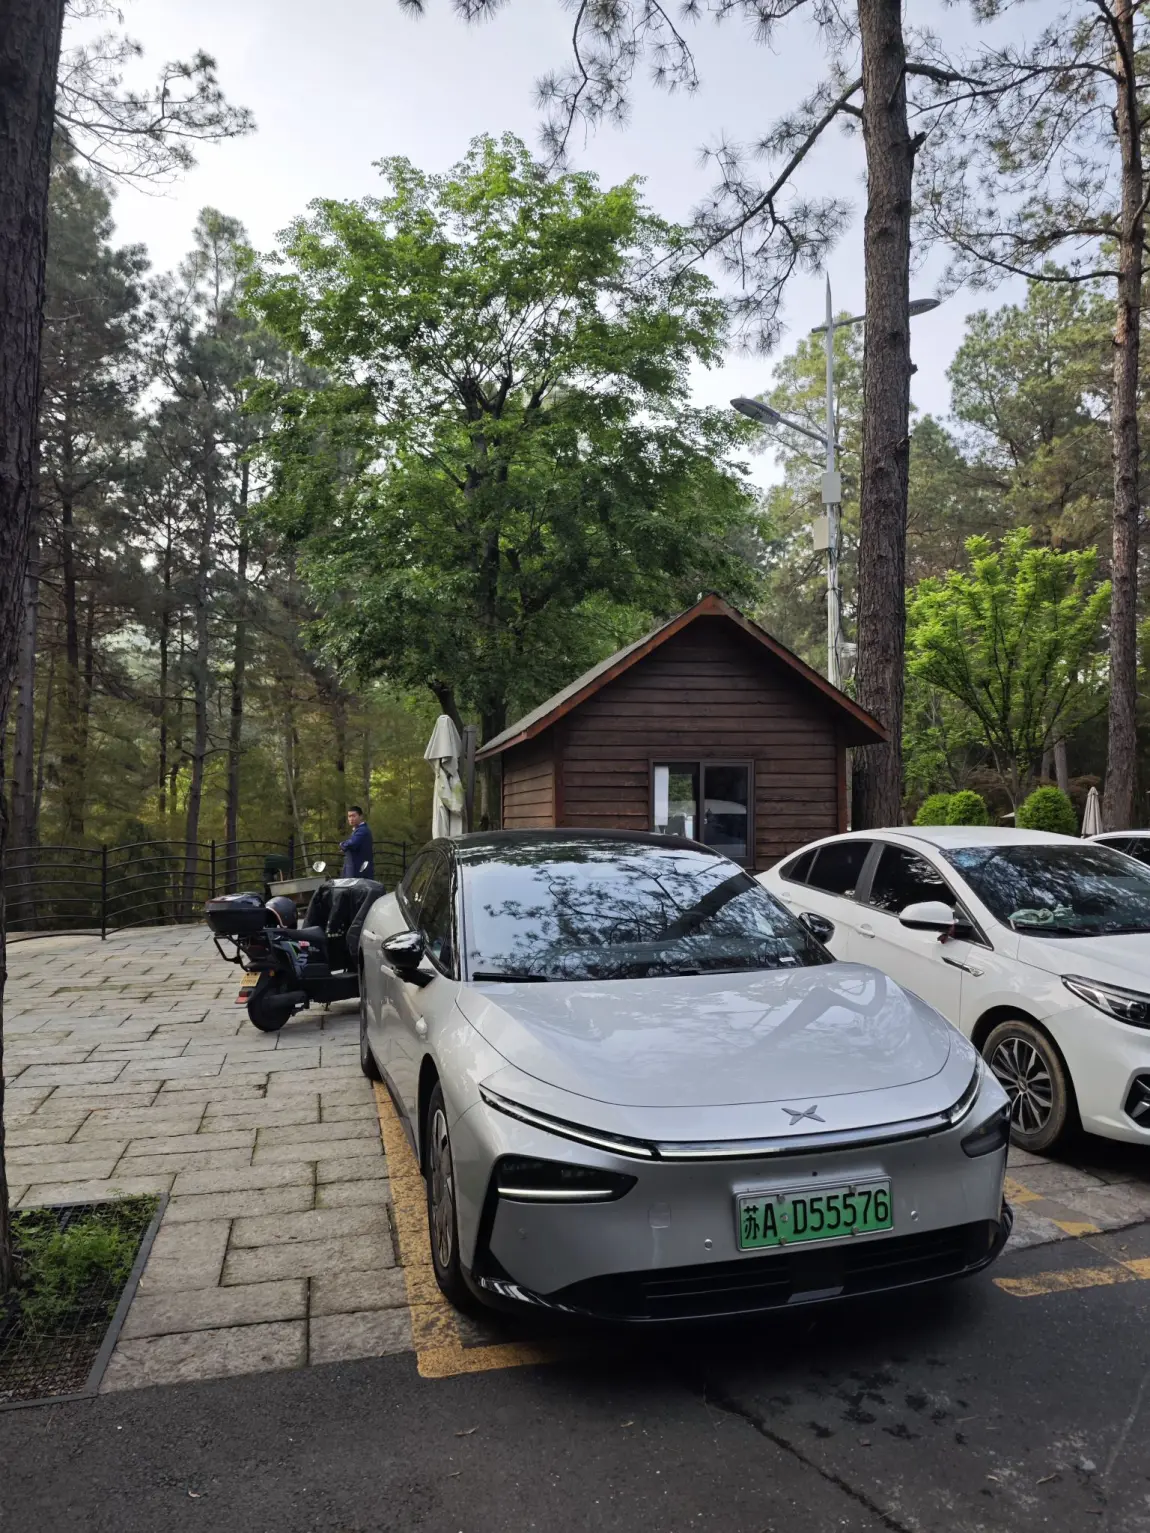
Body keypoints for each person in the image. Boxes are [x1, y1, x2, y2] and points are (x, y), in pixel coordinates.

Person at [339, 806, 375, 879]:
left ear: (361, 816)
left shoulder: (362, 830)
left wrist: (342, 844)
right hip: (356, 870)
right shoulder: (357, 830)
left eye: (353, 816)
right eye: (349, 816)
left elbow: (351, 844)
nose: (351, 819)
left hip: (359, 871)